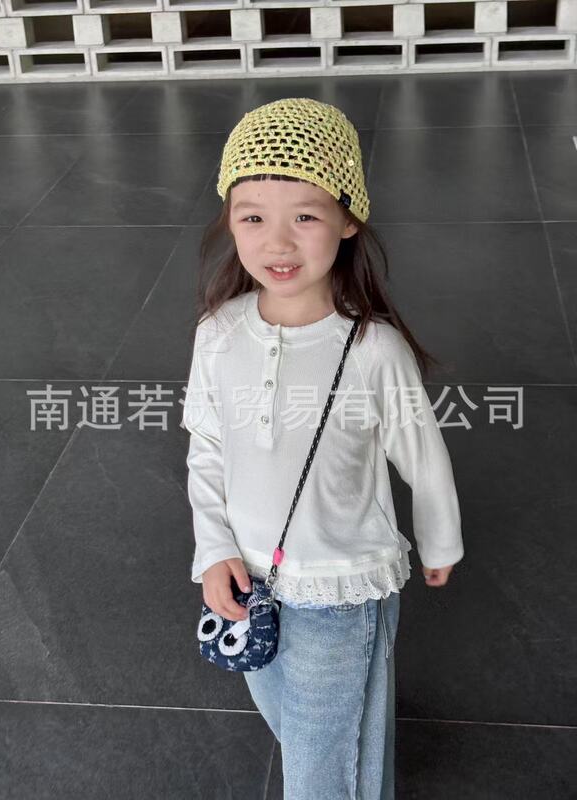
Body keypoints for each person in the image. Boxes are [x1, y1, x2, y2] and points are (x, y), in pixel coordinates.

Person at [181, 97, 464, 799]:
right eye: (253, 218)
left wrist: (440, 541)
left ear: (348, 219)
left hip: (342, 584)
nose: (277, 243)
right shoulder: (219, 333)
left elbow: (421, 454)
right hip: (249, 580)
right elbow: (207, 447)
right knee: (314, 735)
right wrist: (213, 549)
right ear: (229, 220)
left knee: (319, 761)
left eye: (304, 217)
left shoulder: (372, 348)